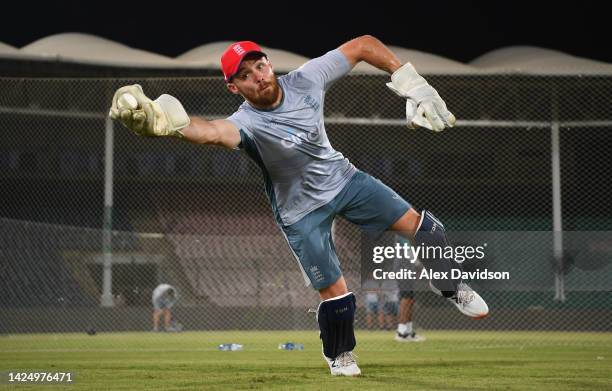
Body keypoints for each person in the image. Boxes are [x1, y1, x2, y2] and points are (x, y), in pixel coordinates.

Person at [110, 35, 489, 376]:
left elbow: (362, 45)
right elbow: (210, 132)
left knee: (426, 230)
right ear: (233, 87)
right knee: (337, 294)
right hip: (300, 210)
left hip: (344, 180)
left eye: (259, 64)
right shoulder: (245, 122)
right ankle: (339, 354)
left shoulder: (307, 79)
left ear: (269, 63)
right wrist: (166, 124)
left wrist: (411, 82)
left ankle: (449, 283)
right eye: (245, 74)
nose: (257, 75)